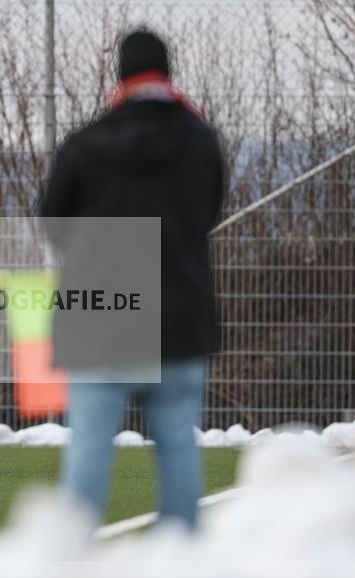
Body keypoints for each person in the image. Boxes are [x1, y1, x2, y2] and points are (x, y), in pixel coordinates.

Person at [40, 28, 225, 529]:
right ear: (169, 72)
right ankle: (181, 563)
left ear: (119, 76)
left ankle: (70, 564)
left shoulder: (85, 144)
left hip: (102, 320)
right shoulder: (200, 141)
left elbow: (55, 224)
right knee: (178, 447)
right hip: (179, 317)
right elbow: (207, 213)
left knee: (90, 449)